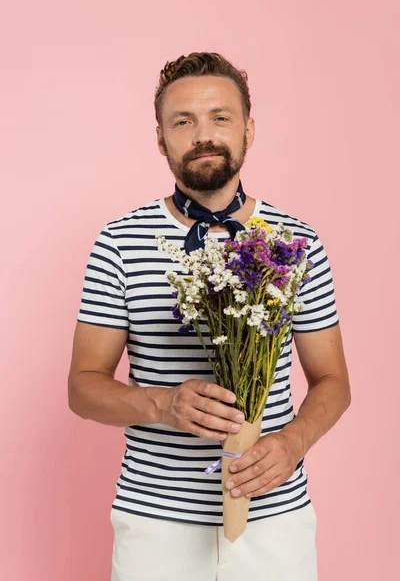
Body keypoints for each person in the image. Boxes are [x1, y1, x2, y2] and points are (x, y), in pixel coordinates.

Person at [68, 51, 351, 581]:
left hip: (275, 519)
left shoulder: (296, 241)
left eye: (220, 117)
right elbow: (82, 387)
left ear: (248, 128)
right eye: (183, 121)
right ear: (161, 139)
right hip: (156, 526)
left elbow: (334, 381)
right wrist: (161, 403)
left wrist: (292, 443)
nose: (204, 134)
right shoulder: (119, 242)